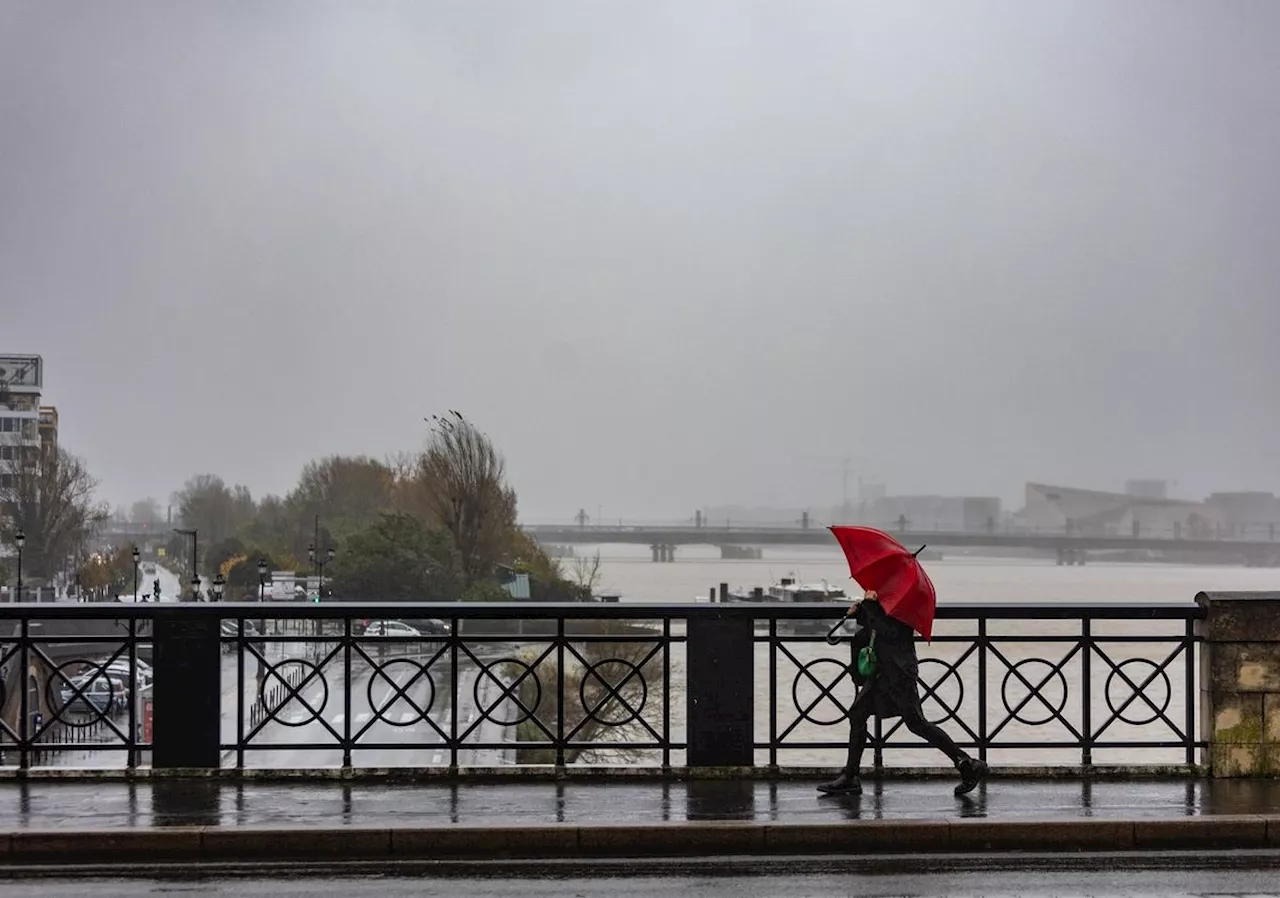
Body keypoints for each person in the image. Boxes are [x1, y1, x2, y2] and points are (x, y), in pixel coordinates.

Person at [818, 589, 987, 796]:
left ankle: (967, 765)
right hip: (882, 672)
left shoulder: (906, 600)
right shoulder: (887, 595)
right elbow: (876, 626)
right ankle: (850, 776)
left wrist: (869, 607)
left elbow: (891, 630)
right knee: (857, 714)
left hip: (899, 674)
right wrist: (860, 613)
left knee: (916, 723)